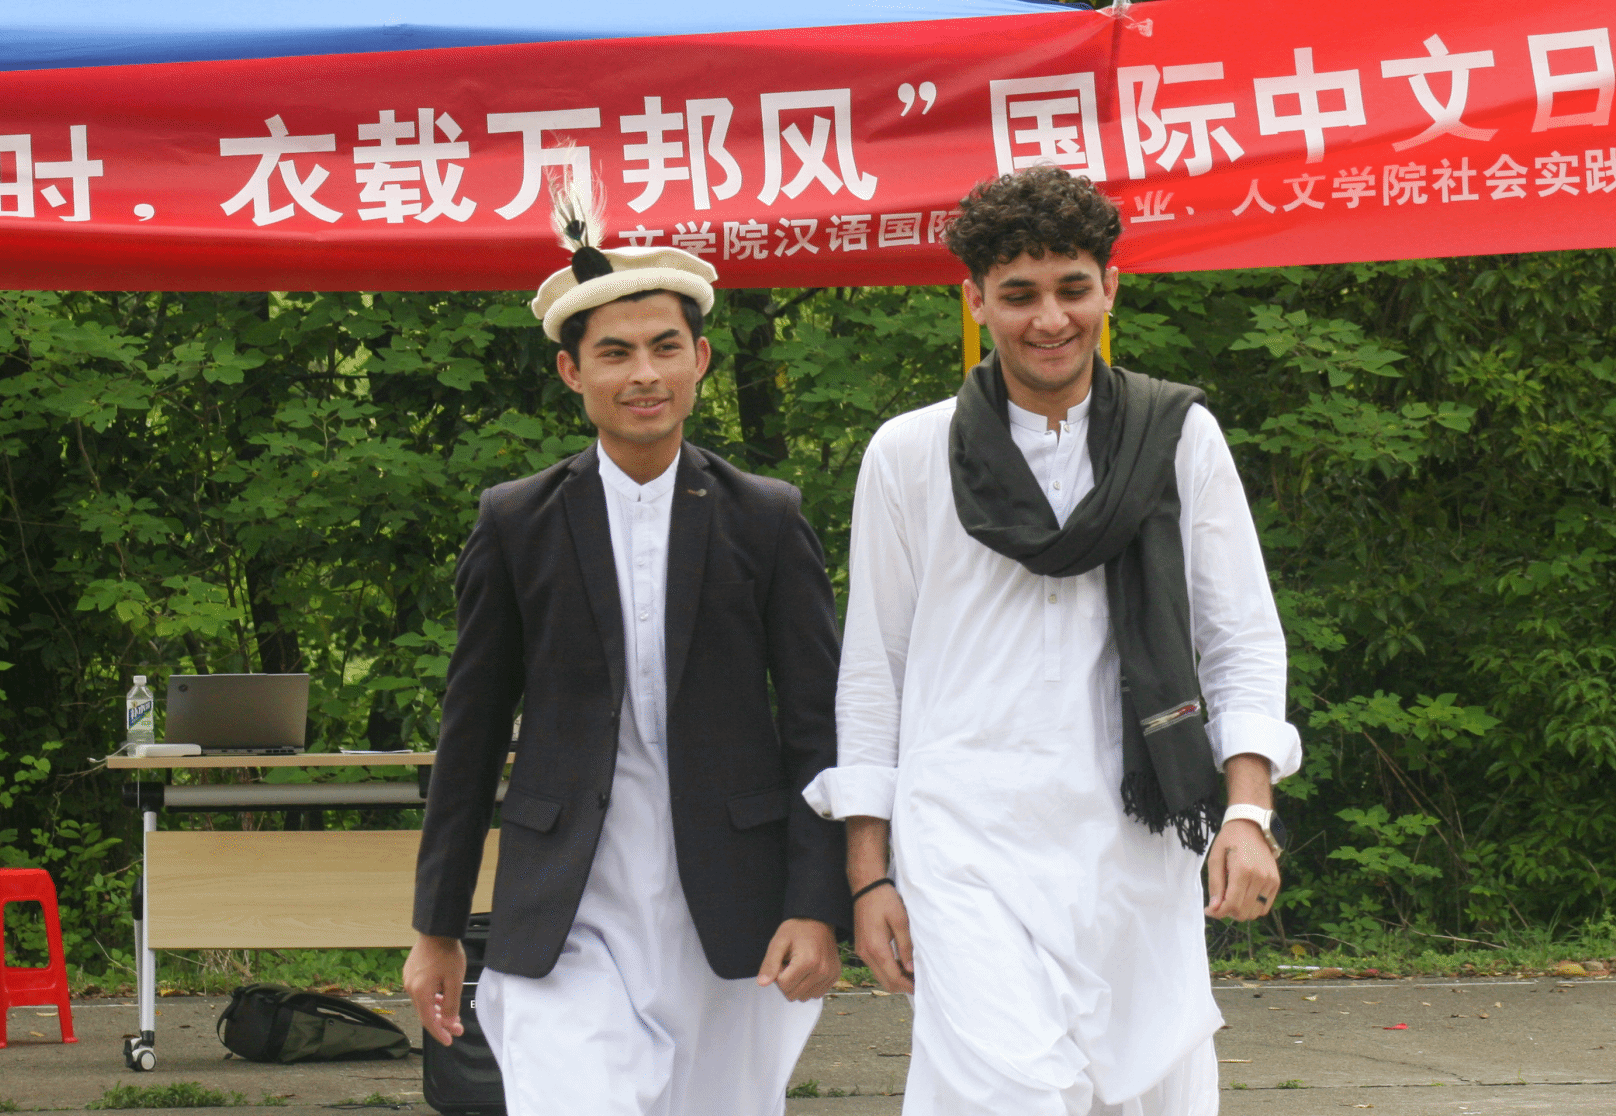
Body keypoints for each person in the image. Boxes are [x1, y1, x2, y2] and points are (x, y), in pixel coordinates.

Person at [803, 165, 1301, 1115]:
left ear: (1109, 288)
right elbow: (874, 672)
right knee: (1009, 1095)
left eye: (1072, 288)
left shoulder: (1177, 438)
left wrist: (1248, 812)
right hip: (964, 839)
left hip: (1133, 842)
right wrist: (869, 875)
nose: (1049, 318)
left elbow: (1240, 635)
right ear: (975, 300)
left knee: (1144, 1091)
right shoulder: (908, 453)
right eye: (1019, 293)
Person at [405, 180, 851, 1116]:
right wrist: (435, 926)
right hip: (567, 910)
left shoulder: (765, 519)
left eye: (664, 347)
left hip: (731, 912)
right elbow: (470, 733)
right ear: (573, 372)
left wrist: (818, 905)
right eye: (615, 352)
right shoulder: (518, 522)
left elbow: (820, 730)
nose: (643, 373)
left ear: (701, 359)